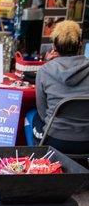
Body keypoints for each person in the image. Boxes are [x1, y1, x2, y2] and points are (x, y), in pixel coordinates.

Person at [28, 20, 89, 153]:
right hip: (86, 141)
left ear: (54, 46)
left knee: (31, 115)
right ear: (79, 45)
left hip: (55, 140)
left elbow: (42, 111)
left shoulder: (44, 71)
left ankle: (38, 163)